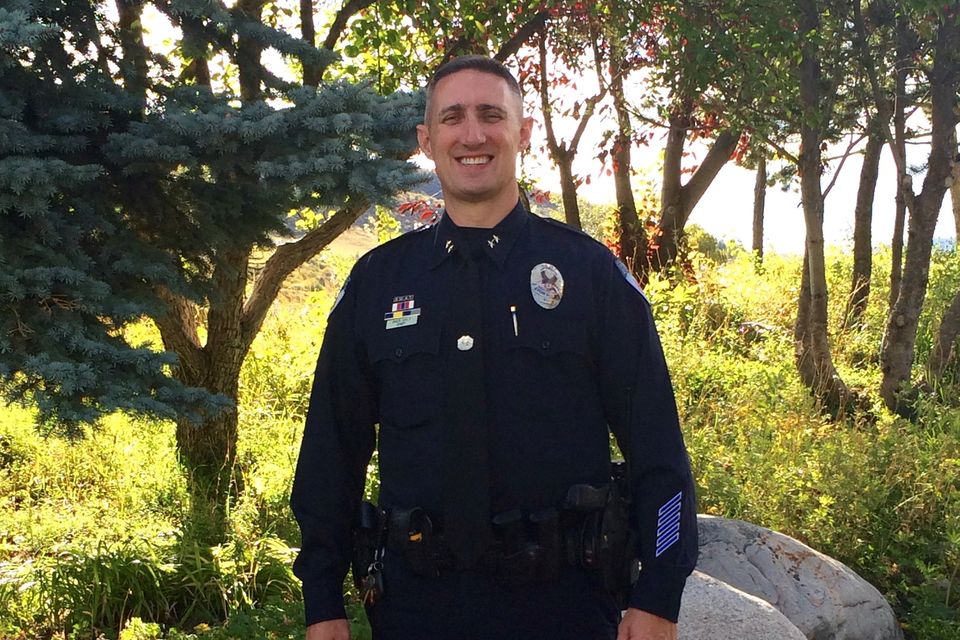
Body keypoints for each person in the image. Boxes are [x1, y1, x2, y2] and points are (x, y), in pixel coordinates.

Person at [291, 55, 697, 640]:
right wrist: (322, 600)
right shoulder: (378, 283)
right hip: (418, 611)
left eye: (490, 115)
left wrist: (659, 594)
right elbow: (332, 453)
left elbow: (657, 448)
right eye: (452, 118)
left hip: (565, 609)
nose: (472, 135)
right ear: (427, 140)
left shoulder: (589, 275)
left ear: (523, 132)